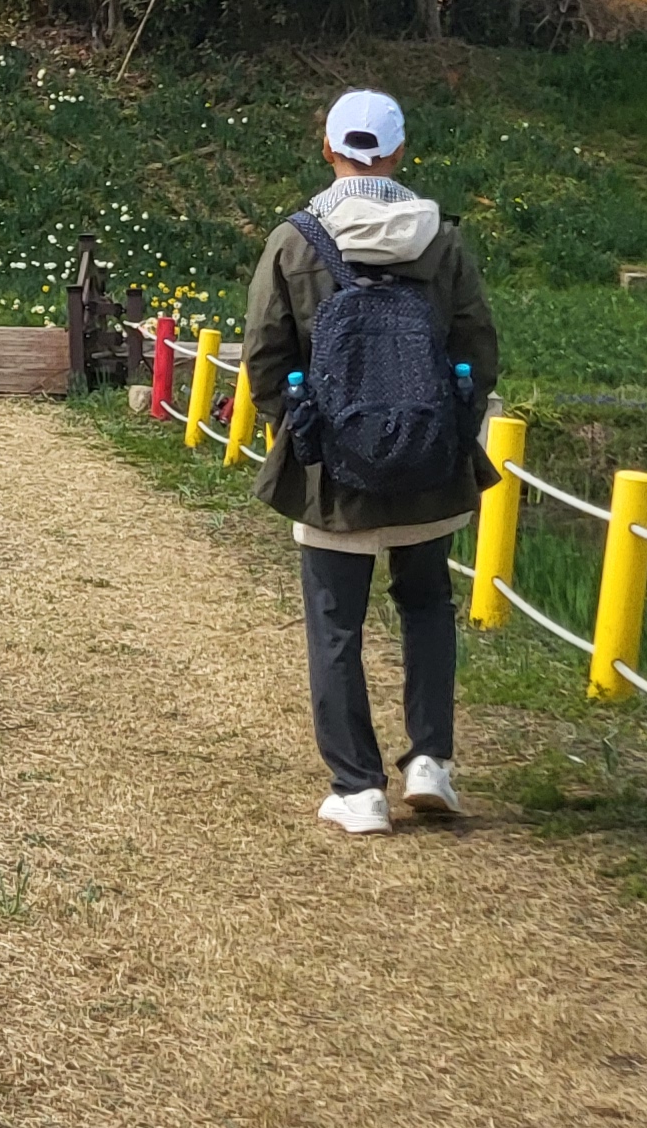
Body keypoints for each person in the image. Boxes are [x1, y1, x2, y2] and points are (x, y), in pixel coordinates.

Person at [240, 88, 501, 837]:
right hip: (430, 470)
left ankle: (359, 790)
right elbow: (478, 350)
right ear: (398, 153)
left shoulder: (294, 243)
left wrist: (305, 435)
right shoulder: (441, 240)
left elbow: (264, 354)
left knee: (335, 626)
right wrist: (444, 432)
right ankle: (430, 762)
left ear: (328, 149)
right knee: (426, 607)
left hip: (332, 472)